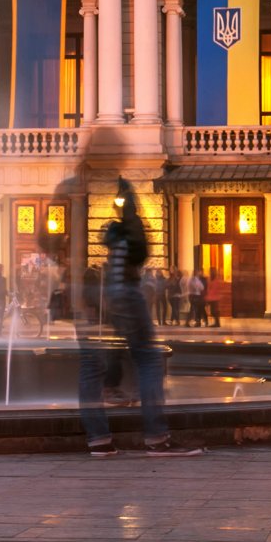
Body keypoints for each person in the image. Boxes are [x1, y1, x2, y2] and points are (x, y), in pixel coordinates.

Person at [77, 179, 201, 457]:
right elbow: (140, 250)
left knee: (92, 363)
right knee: (148, 359)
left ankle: (99, 437)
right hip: (121, 295)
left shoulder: (110, 234)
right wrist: (128, 199)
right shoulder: (128, 228)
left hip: (96, 296)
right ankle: (156, 437)